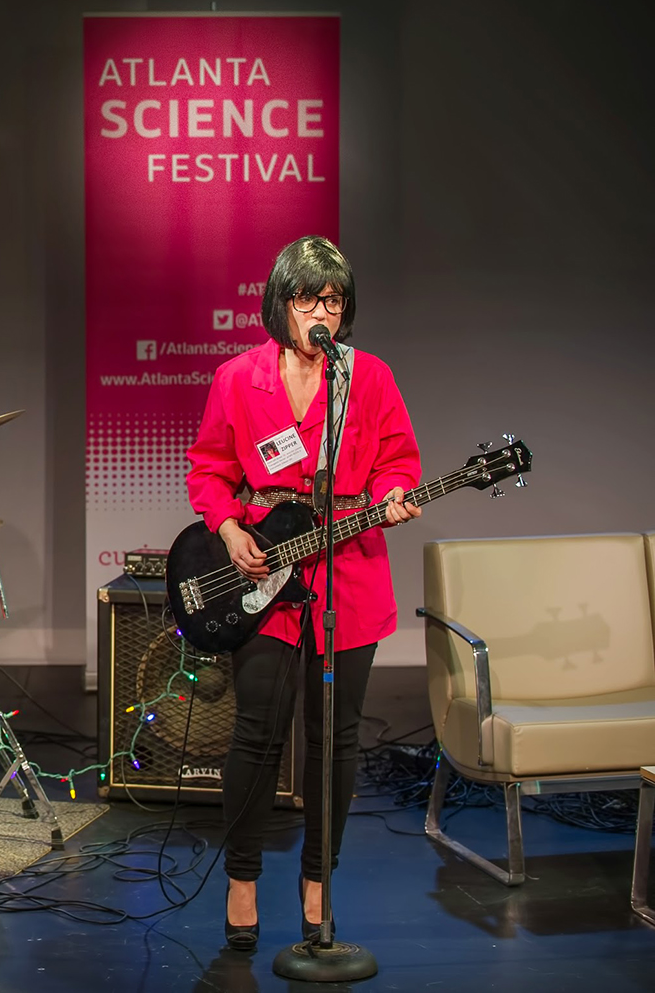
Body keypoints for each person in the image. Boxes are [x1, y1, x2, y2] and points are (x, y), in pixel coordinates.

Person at [184, 235, 421, 950]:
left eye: (334, 299)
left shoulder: (368, 376)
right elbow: (209, 471)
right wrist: (229, 532)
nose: (323, 311)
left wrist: (396, 494)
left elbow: (397, 460)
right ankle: (244, 879)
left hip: (350, 573)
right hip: (267, 575)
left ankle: (319, 880)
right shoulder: (238, 378)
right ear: (280, 303)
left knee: (336, 740)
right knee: (257, 735)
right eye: (308, 298)